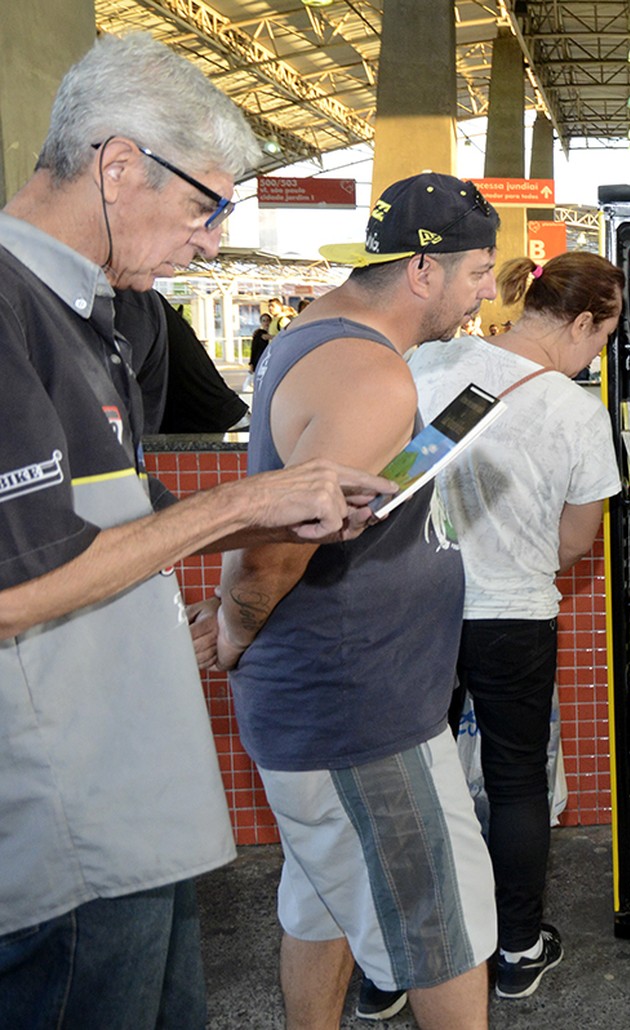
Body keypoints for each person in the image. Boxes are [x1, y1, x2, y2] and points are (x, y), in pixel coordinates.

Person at [0, 33, 391, 1028]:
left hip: (133, 794)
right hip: (66, 823)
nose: (211, 238)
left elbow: (117, 519)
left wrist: (287, 507)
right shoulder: (12, 313)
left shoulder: (107, 312)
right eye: (204, 204)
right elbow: (14, 592)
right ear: (119, 164)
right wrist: (245, 504)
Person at [213, 171, 501, 1030]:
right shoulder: (370, 377)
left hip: (341, 704)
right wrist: (230, 630)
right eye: (478, 270)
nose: (486, 289)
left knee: (328, 900)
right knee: (440, 932)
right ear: (423, 272)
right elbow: (271, 549)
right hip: (360, 715)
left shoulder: (323, 335)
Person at [406, 252, 625, 1004]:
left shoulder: (432, 362)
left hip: (416, 608)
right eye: (603, 337)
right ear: (582, 322)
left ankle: (394, 962)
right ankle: (518, 950)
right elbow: (575, 544)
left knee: (406, 784)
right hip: (512, 617)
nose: (600, 353)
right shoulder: (577, 413)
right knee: (516, 782)